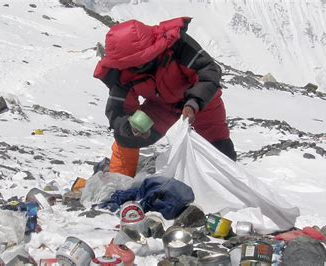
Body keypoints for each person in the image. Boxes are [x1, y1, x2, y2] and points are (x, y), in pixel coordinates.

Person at [94, 17, 237, 177]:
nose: (136, 69)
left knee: (219, 149)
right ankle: (120, 183)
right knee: (125, 138)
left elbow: (208, 72)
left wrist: (193, 103)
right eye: (131, 65)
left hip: (200, 100)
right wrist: (129, 128)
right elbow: (118, 109)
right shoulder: (123, 71)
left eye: (139, 62)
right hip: (161, 107)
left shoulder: (176, 45)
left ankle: (227, 187)